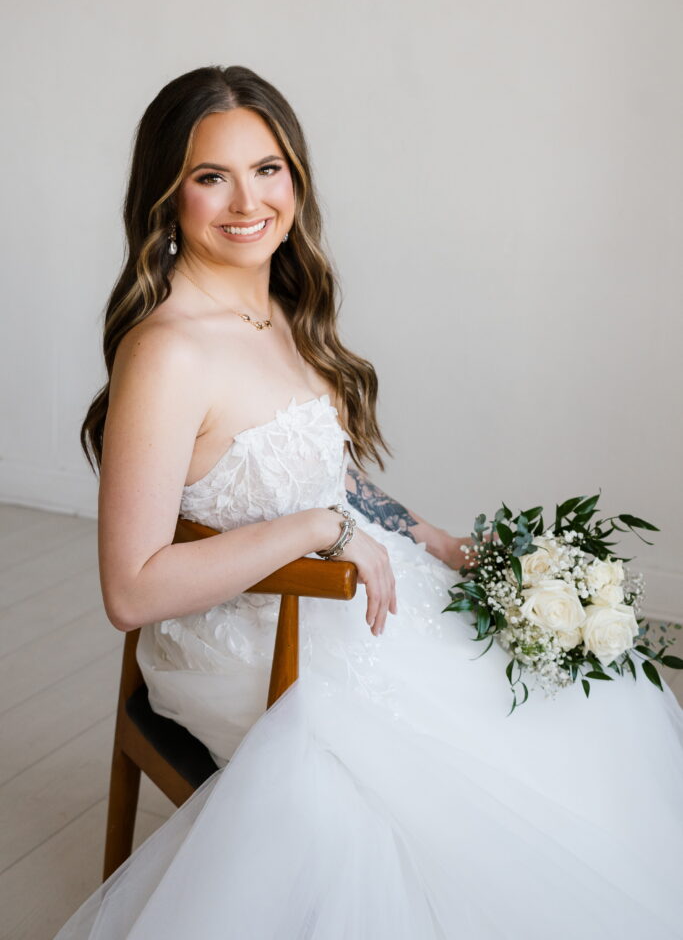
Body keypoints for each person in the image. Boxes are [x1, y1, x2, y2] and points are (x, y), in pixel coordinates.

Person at [57, 65, 683, 939]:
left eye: (267, 168)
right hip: (246, 637)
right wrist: (317, 531)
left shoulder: (280, 309)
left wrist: (432, 538)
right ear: (167, 195)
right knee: (434, 798)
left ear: (297, 178)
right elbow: (131, 588)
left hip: (349, 592)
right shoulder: (166, 352)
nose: (247, 200)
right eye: (211, 176)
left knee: (572, 704)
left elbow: (331, 476)